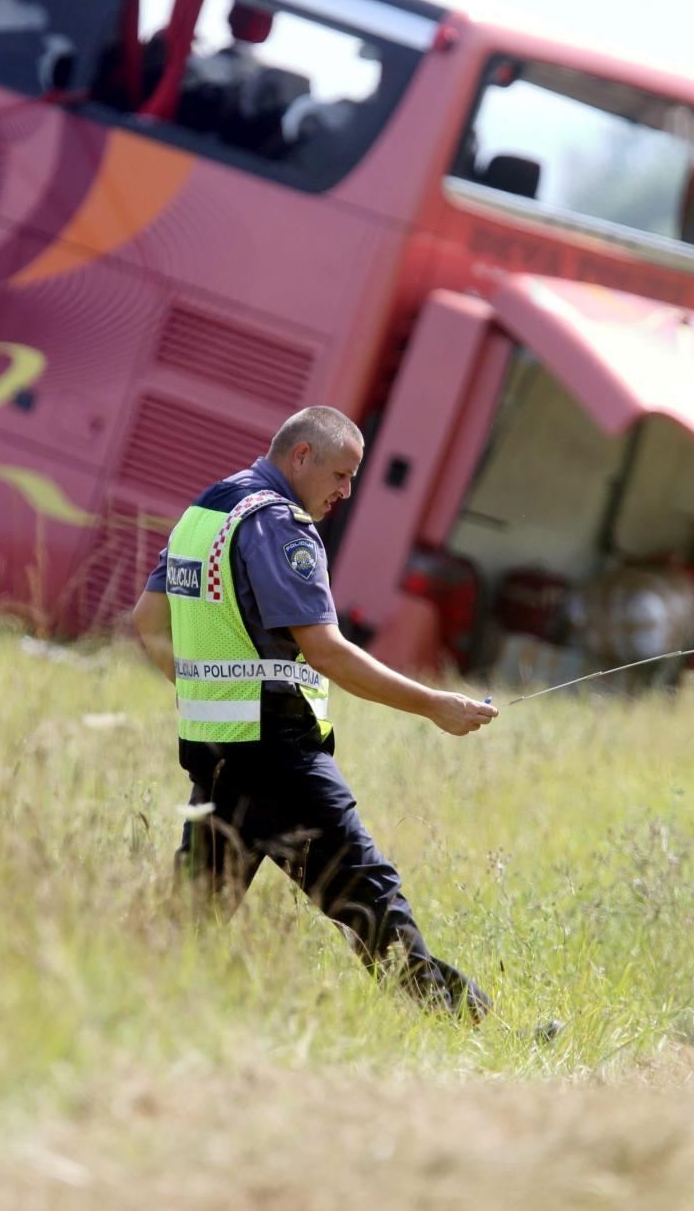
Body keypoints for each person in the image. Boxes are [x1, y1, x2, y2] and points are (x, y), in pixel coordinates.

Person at [129, 406, 499, 1020]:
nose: (345, 492)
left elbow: (147, 620)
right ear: (300, 457)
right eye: (340, 474)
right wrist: (434, 704)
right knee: (368, 896)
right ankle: (473, 1026)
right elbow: (326, 649)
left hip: (217, 754)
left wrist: (202, 688)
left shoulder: (207, 511)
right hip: (280, 758)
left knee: (190, 920)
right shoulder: (280, 524)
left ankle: (131, 1019)